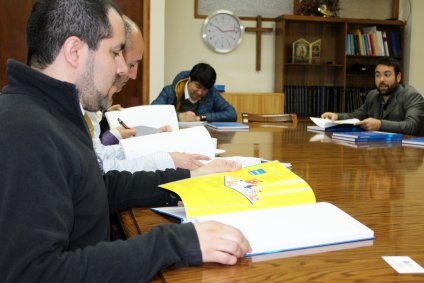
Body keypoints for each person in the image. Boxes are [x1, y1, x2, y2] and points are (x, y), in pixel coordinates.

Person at [0, 1, 251, 282]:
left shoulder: (54, 112)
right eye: (116, 52)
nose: (122, 68)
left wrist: (188, 177)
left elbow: (97, 188)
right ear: (74, 51)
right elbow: (35, 274)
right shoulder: (25, 131)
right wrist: (177, 243)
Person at [88, 15, 209, 171]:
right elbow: (101, 168)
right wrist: (165, 160)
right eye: (131, 63)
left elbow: (101, 157)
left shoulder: (90, 106)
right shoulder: (171, 91)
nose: (131, 74)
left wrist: (159, 149)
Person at [321, 57, 424, 136]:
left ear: (398, 77)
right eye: (377, 75)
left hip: (407, 153)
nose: (381, 80)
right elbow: (357, 115)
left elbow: (412, 126)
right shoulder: (373, 95)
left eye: (387, 75)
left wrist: (380, 124)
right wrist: (337, 116)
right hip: (379, 150)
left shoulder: (411, 96)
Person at [151, 63, 237, 122]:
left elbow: (231, 114)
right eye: (198, 86)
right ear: (189, 80)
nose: (200, 93)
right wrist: (179, 116)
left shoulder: (211, 93)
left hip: (200, 138)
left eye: (205, 89)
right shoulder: (170, 91)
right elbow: (152, 112)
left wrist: (200, 118)